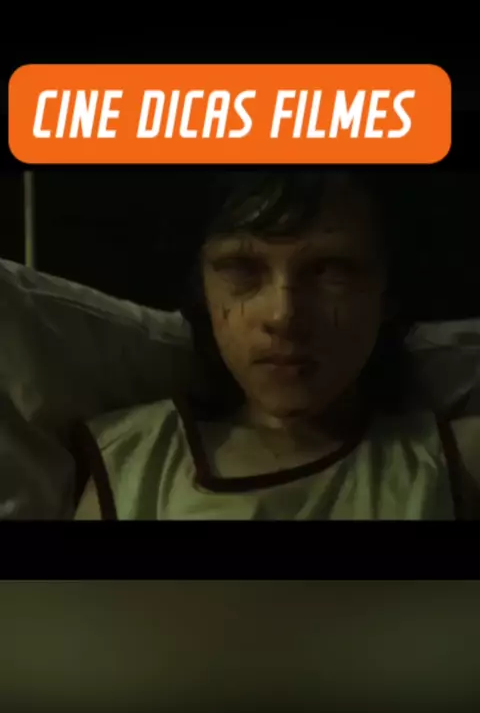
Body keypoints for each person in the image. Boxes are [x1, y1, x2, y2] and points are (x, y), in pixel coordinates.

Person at [71, 168, 480, 520]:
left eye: (330, 270)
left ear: (388, 292)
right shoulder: (134, 463)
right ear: (202, 288)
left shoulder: (452, 463)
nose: (284, 316)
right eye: (242, 268)